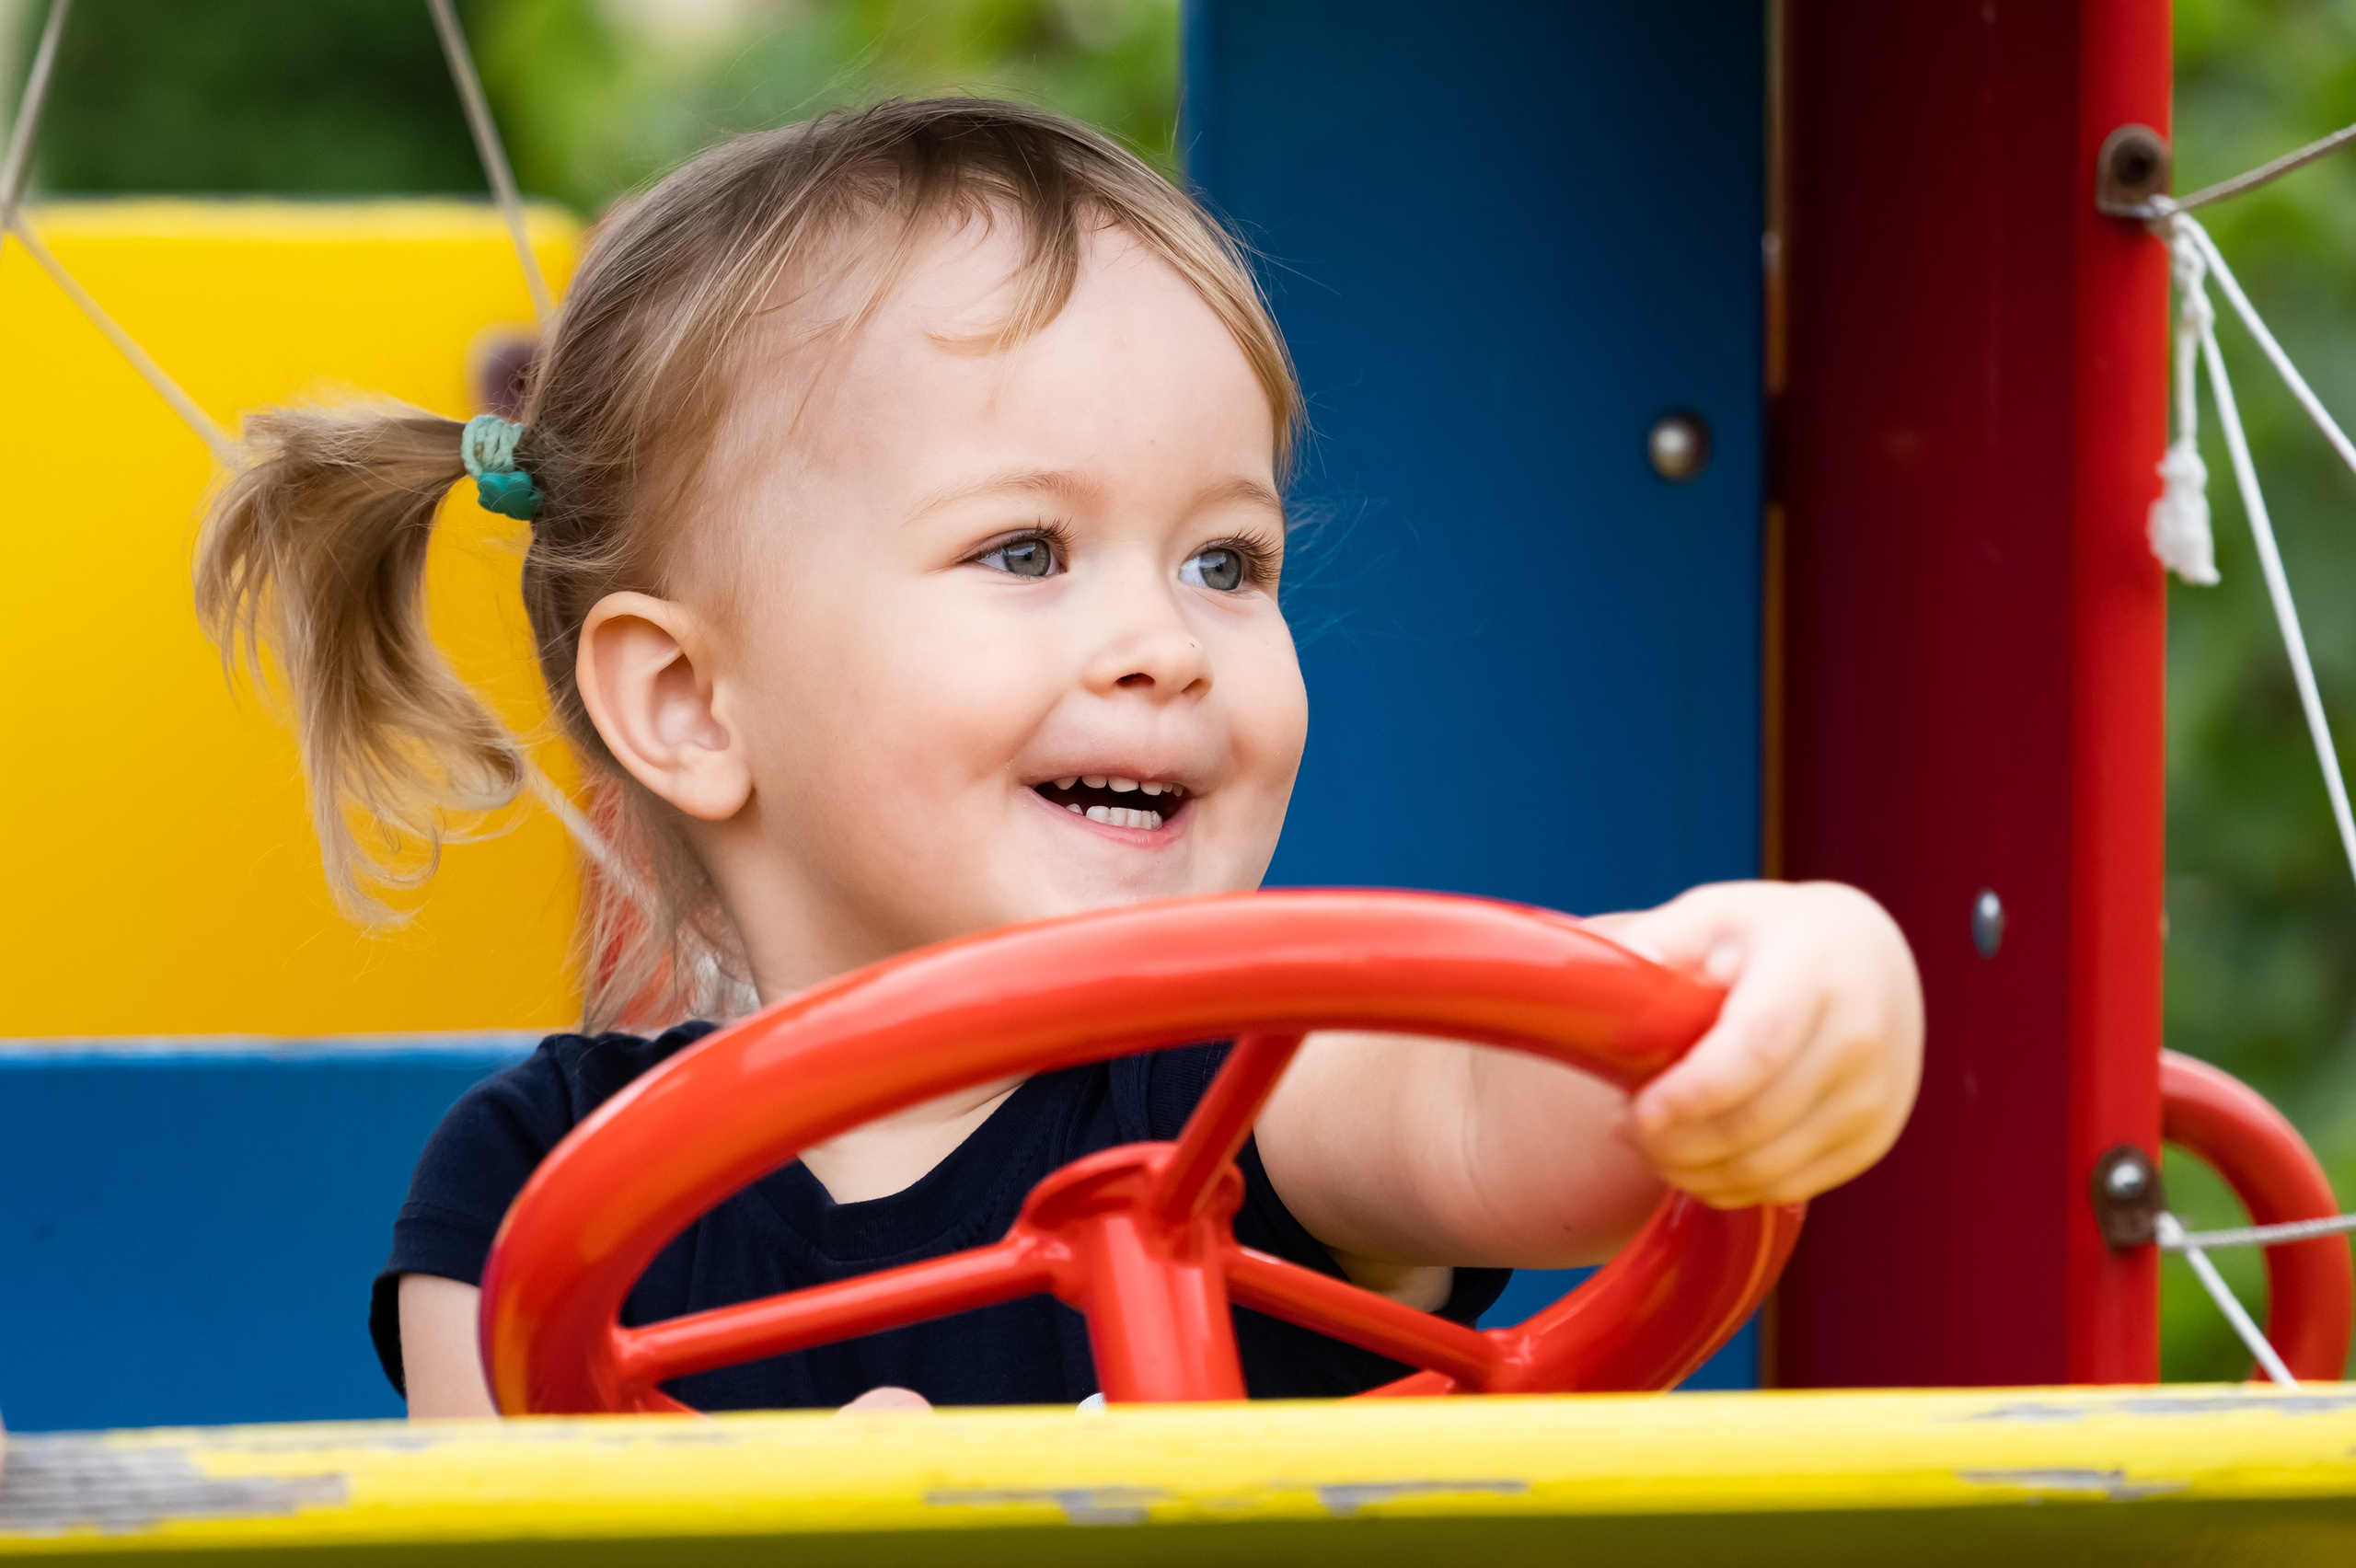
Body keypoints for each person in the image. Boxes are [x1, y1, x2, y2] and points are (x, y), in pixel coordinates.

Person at [195, 98, 1923, 1418]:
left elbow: (1503, 1101)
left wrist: (1759, 989)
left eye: (1226, 561)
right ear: (692, 703)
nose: (1167, 641)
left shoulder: (1251, 1090)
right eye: (1026, 551)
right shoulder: (529, 1191)